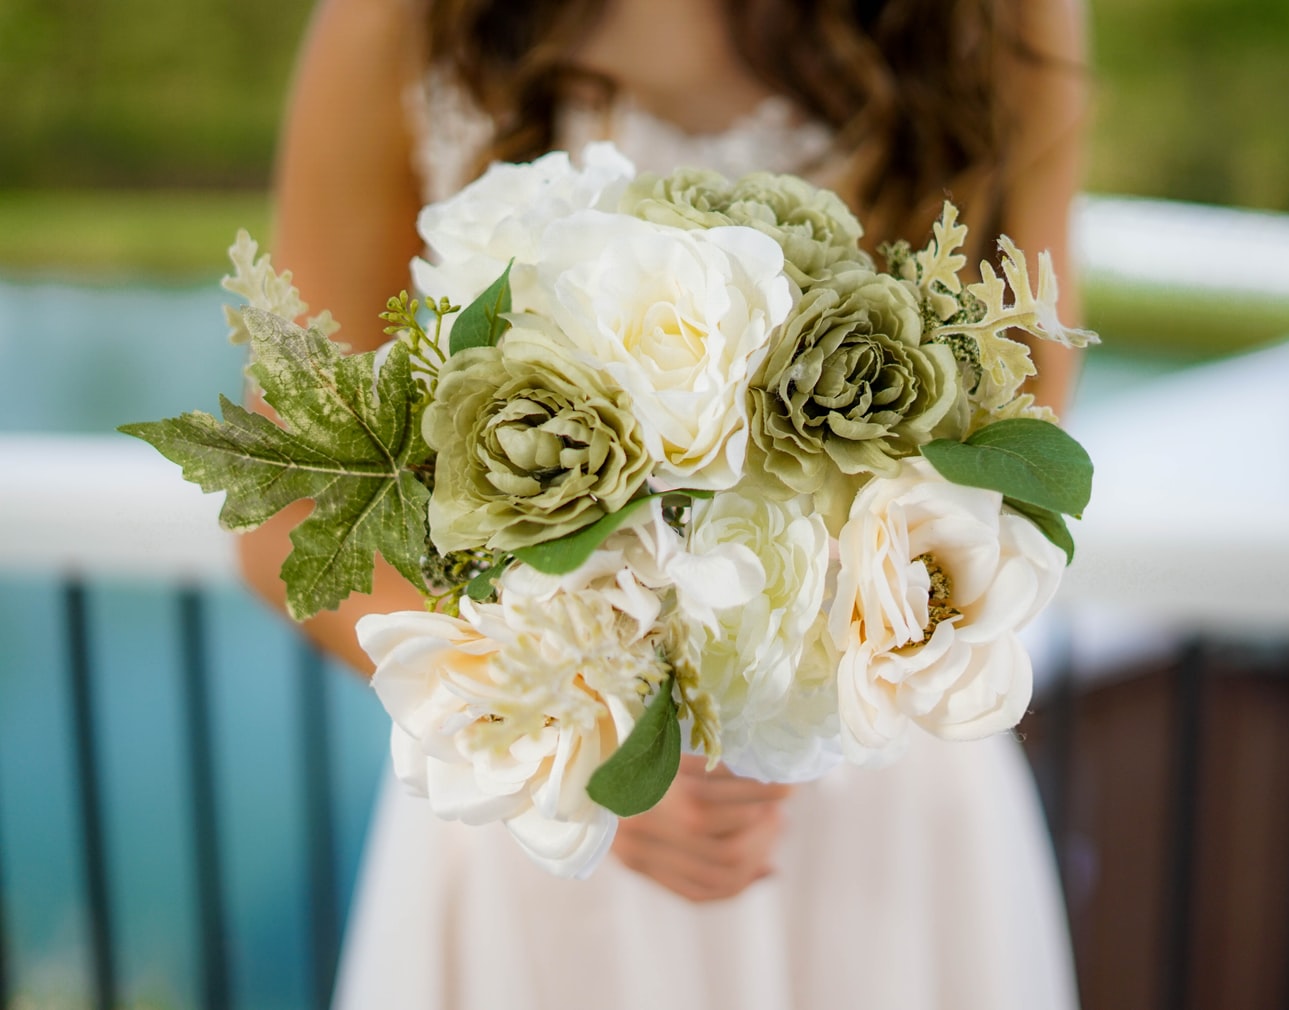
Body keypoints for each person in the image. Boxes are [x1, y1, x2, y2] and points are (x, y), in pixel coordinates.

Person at [242, 0, 1089, 1005]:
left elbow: (1022, 426)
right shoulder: (403, 19)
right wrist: (573, 721)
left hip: (878, 769)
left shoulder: (997, 17)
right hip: (551, 803)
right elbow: (290, 504)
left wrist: (825, 649)